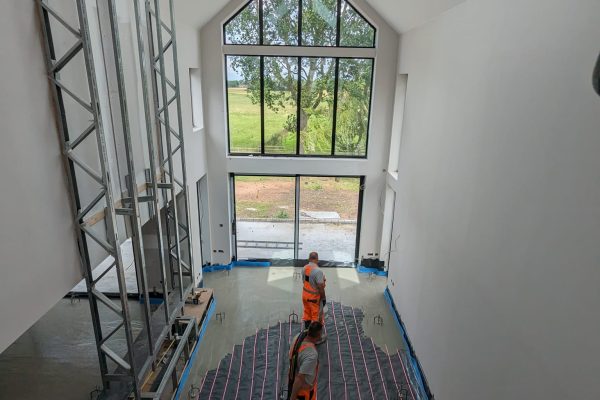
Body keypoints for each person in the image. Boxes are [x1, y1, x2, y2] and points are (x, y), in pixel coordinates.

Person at [288, 321, 323, 400]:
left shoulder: (297, 337)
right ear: (318, 335)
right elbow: (299, 379)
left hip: (292, 379)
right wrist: (292, 398)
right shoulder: (311, 355)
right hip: (303, 393)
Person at [301, 252, 327, 334]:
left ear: (309, 259)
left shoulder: (304, 268)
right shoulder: (318, 271)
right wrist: (323, 298)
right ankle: (315, 335)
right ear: (317, 259)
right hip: (314, 298)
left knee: (307, 312)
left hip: (305, 296)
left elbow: (304, 281)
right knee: (316, 316)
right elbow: (320, 287)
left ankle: (306, 330)